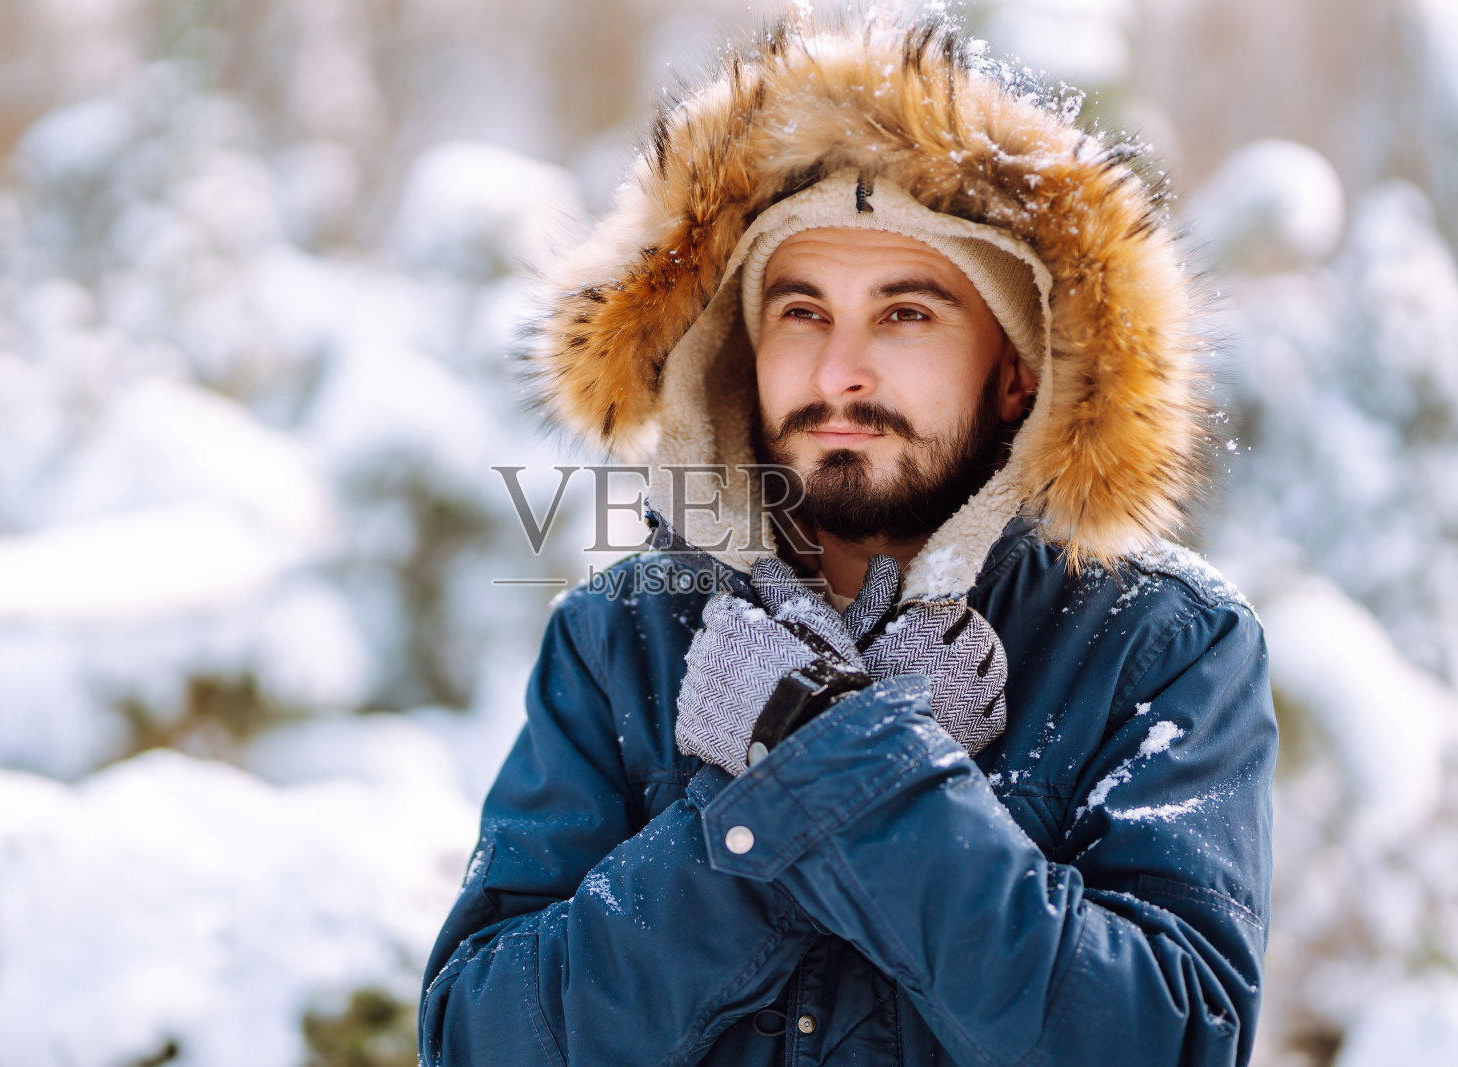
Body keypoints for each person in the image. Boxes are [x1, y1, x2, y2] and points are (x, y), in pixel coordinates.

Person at [420, 11, 1276, 1067]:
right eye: (801, 311)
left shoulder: (1155, 644)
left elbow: (1166, 1038)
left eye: (906, 314)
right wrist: (796, 799)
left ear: (1016, 366)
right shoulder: (621, 636)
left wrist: (837, 757)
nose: (838, 373)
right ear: (737, 348)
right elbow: (479, 1036)